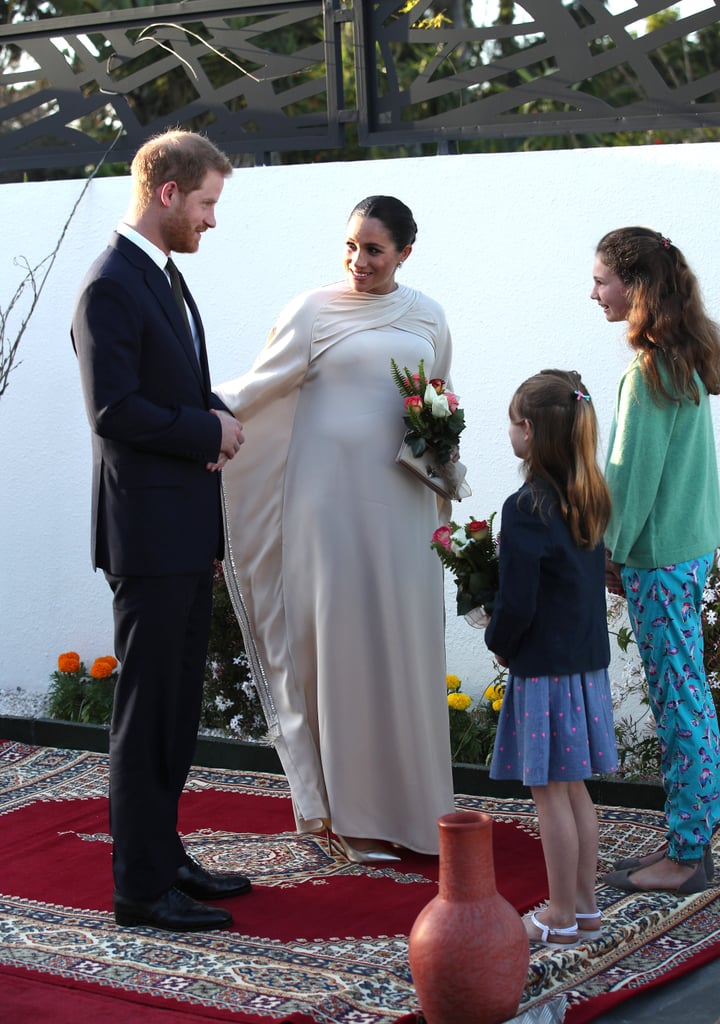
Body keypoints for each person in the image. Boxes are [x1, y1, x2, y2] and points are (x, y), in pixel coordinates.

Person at [216, 195, 455, 861]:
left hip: (403, 511)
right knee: (340, 650)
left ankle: (417, 811)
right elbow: (254, 391)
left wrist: (443, 465)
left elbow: (439, 405)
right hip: (325, 515)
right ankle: (349, 816)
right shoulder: (311, 311)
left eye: (374, 250)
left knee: (405, 648)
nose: (358, 261)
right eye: (350, 246)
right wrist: (185, 417)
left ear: (405, 252)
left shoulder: (430, 316)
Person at [71, 128, 251, 932]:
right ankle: (139, 889)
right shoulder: (111, 285)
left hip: (183, 531)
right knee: (146, 714)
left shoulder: (162, 278)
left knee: (177, 707)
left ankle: (164, 854)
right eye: (208, 202)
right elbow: (112, 411)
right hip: (146, 535)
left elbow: (168, 386)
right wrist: (202, 431)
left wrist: (213, 411)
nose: (214, 220)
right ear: (168, 193)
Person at [591, 226, 720, 894]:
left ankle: (690, 853)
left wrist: (605, 553)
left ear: (633, 286)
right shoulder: (684, 354)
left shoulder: (649, 371)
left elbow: (630, 475)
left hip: (659, 557)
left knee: (680, 702)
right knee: (686, 694)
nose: (593, 293)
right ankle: (686, 840)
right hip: (686, 548)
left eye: (601, 280)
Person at [485, 369, 617, 947]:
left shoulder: (526, 507)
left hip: (545, 673)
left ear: (531, 431)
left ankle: (560, 914)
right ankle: (585, 909)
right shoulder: (586, 498)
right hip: (585, 667)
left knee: (551, 795)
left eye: (515, 420)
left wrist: (496, 640)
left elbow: (518, 602)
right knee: (575, 788)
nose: (509, 430)